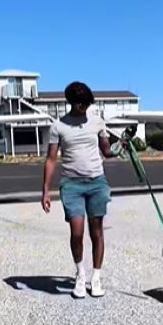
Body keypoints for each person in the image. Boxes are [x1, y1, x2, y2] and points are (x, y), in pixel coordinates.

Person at [42, 81, 115, 299]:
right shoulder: (58, 126)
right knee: (76, 232)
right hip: (71, 184)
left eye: (87, 104)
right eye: (80, 104)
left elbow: (107, 151)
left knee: (97, 231)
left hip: (97, 182)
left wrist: (120, 148)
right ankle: (80, 275)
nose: (84, 108)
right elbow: (51, 159)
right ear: (71, 103)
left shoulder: (97, 122)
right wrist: (45, 190)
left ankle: (96, 277)